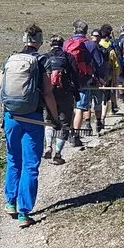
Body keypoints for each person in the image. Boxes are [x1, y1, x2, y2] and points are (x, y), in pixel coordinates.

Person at [0, 24, 58, 228]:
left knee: (13, 160)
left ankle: (10, 202)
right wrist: (55, 118)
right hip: (33, 118)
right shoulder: (42, 60)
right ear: (40, 41)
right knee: (31, 165)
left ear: (24, 39)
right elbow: (48, 93)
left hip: (11, 118)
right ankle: (25, 212)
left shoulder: (9, 60)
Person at [64, 20, 104, 144]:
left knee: (71, 107)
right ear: (86, 31)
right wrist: (102, 78)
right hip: (83, 79)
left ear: (74, 30)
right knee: (80, 107)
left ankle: (69, 132)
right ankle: (75, 135)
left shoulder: (66, 44)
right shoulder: (90, 45)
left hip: (67, 79)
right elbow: (99, 63)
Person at [42, 34, 78, 165]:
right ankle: (57, 154)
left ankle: (48, 146)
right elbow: (75, 76)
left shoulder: (45, 57)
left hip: (49, 94)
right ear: (62, 45)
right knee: (64, 123)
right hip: (65, 93)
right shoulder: (68, 57)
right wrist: (77, 93)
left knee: (49, 121)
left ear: (50, 45)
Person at [98, 24, 123, 121]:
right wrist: (116, 77)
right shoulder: (111, 48)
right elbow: (116, 65)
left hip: (95, 76)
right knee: (106, 97)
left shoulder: (96, 45)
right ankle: (103, 117)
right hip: (108, 76)